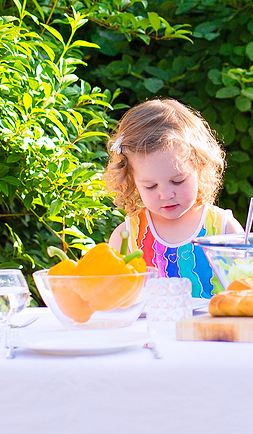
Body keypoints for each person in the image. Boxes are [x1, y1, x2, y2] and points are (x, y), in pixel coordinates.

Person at [103, 99, 243, 298]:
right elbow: (116, 301)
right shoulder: (127, 238)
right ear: (131, 180)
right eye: (151, 186)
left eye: (178, 181)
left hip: (212, 329)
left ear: (200, 166)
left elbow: (246, 291)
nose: (166, 194)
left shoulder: (223, 229)